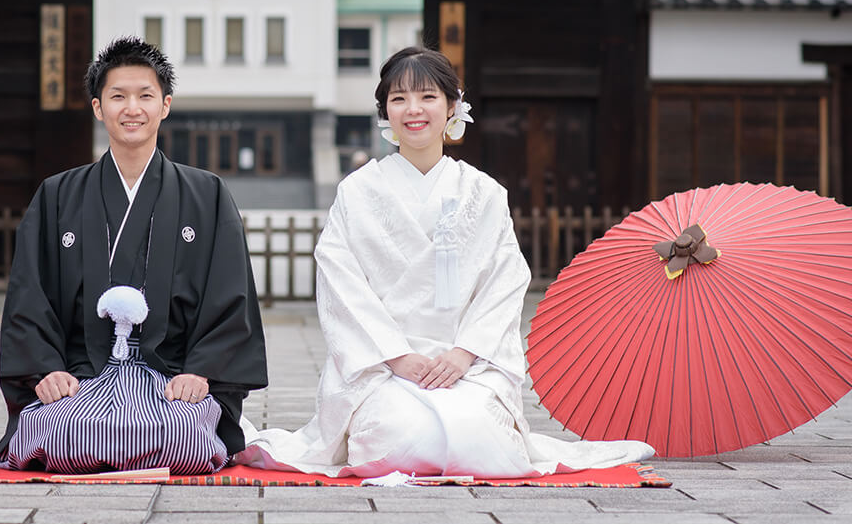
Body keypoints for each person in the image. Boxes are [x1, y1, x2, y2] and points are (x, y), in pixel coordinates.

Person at [237, 46, 652, 478]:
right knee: (402, 435)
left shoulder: (483, 192)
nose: (413, 110)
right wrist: (398, 357)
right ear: (385, 112)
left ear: (453, 106)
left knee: (479, 435)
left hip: (467, 363)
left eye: (428, 96)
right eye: (398, 99)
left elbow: (504, 281)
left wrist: (463, 354)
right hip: (382, 367)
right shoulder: (358, 192)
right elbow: (341, 284)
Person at [0, 36, 268, 474]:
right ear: (99, 107)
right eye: (118, 96)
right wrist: (45, 370)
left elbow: (230, 295)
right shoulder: (57, 194)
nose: (132, 108)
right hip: (82, 375)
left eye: (145, 96)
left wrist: (202, 372)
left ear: (165, 105)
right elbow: (30, 294)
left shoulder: (207, 193)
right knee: (63, 430)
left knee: (184, 432)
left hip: (171, 378)